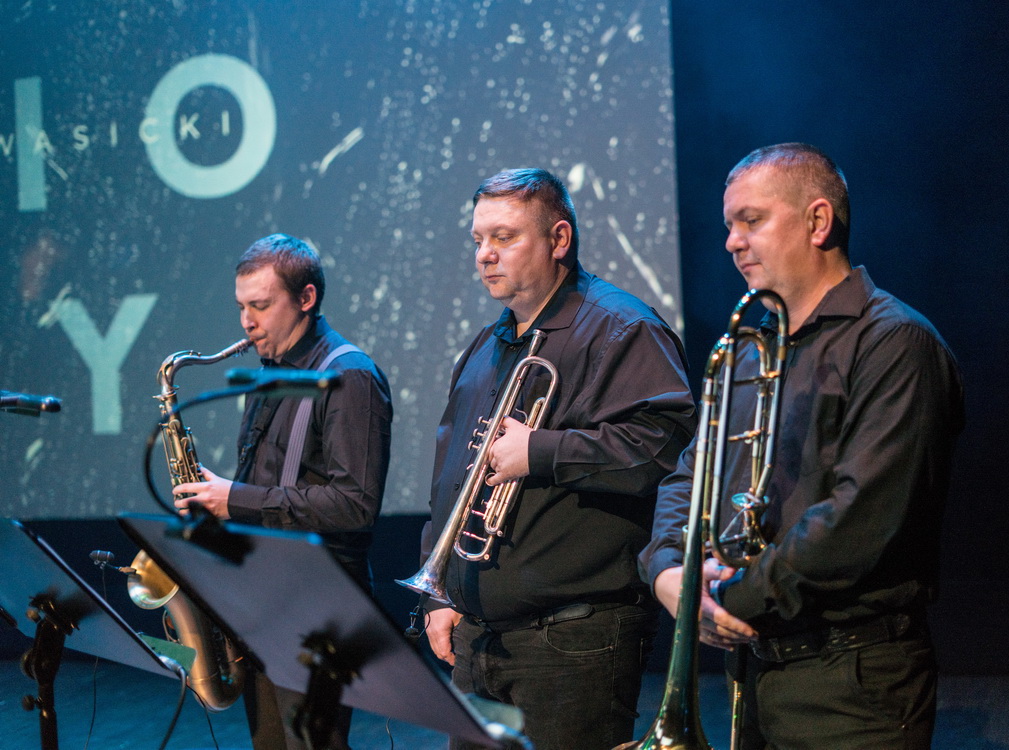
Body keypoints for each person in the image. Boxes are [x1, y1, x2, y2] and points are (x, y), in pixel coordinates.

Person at [641, 143, 964, 749]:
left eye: (751, 220)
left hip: (852, 681)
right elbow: (690, 476)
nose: (732, 242)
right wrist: (668, 571)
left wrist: (724, 595)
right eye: (729, 225)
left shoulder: (895, 342)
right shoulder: (747, 351)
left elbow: (860, 520)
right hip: (757, 667)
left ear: (818, 222)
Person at [418, 168, 696, 750]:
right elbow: (452, 482)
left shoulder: (622, 327)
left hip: (572, 642)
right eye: (478, 240)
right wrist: (439, 591)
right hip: (480, 639)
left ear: (559, 239)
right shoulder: (485, 346)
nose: (485, 254)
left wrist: (539, 451)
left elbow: (665, 449)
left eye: (504, 237)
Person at [173, 233, 393, 750]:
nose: (246, 322)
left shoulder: (350, 376)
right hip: (266, 600)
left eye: (260, 305)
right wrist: (213, 505)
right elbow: (266, 492)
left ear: (306, 298)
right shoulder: (268, 375)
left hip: (320, 611)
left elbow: (355, 505)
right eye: (241, 307)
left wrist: (235, 498)